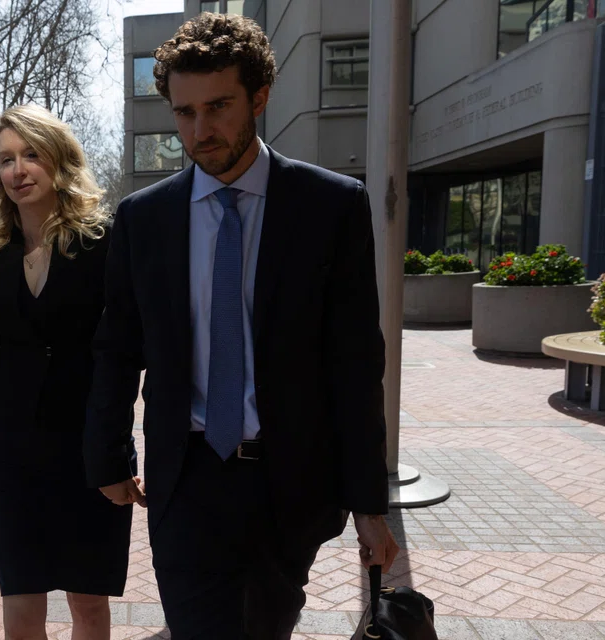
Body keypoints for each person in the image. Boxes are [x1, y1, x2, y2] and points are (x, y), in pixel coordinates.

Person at [84, 12, 399, 639]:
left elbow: (355, 362)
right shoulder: (144, 221)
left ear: (259, 97)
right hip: (186, 480)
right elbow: (118, 348)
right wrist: (108, 456)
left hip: (291, 486)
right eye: (184, 112)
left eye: (218, 107)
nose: (199, 130)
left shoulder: (331, 207)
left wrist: (368, 503)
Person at [0, 104, 134, 640]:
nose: (18, 170)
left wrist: (117, 452)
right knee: (21, 610)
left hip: (89, 447)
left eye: (31, 154)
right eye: (5, 159)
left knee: (89, 606)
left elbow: (122, 353)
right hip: (19, 454)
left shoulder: (104, 241)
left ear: (59, 160)